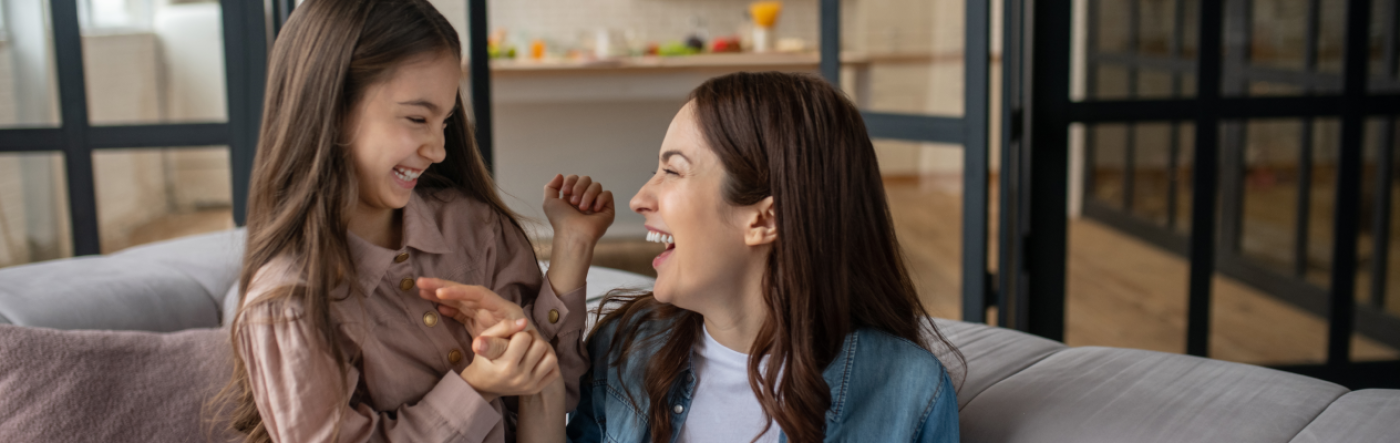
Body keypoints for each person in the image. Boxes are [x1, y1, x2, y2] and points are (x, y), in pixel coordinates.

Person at [218, 0, 614, 441]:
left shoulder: (473, 227)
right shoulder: (287, 305)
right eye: (416, 118)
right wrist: (475, 387)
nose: (439, 150)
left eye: (444, 121)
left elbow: (560, 390)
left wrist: (573, 248)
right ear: (330, 108)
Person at [533, 71, 965, 443]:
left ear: (766, 218)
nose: (639, 199)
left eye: (672, 171)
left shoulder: (909, 389)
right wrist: (571, 245)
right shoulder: (626, 348)